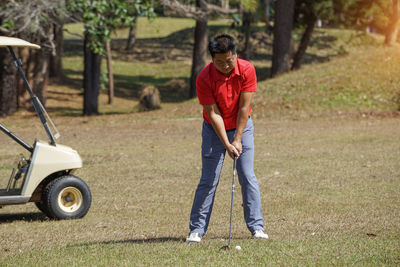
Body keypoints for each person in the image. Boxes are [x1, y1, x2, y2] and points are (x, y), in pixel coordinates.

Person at [186, 34, 268, 243]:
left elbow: (243, 108)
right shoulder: (204, 77)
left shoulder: (247, 70)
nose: (225, 66)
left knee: (247, 175)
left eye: (229, 61)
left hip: (242, 126)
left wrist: (238, 139)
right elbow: (213, 114)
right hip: (214, 129)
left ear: (236, 55)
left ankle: (257, 227)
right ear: (212, 59)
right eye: (219, 62)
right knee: (209, 178)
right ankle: (196, 230)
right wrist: (226, 143)